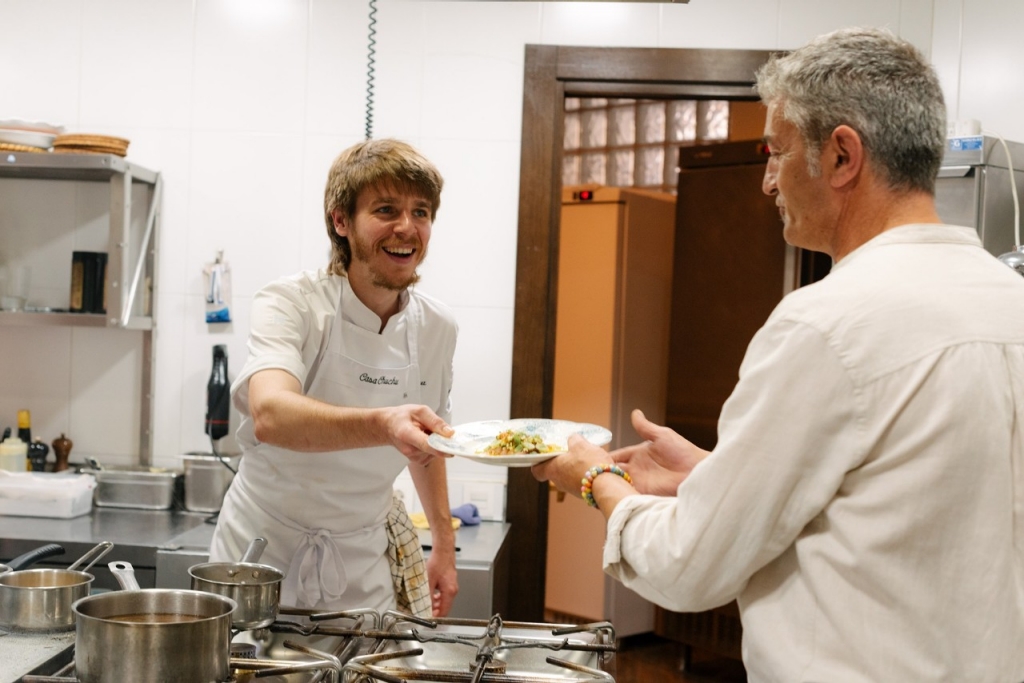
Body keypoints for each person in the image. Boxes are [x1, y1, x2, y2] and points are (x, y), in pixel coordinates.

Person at [534, 27, 1024, 681]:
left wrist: (594, 478)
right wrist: (711, 475)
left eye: (778, 152)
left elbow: (689, 563)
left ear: (843, 156)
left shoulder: (827, 324)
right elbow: (903, 499)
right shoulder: (1010, 300)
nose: (768, 182)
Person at [210, 138, 459, 618]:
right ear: (340, 221)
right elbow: (271, 414)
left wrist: (444, 546)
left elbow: (430, 446)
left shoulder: (438, 327)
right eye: (386, 209)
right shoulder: (291, 303)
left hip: (362, 563)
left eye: (421, 212)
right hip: (260, 555)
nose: (407, 228)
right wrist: (384, 423)